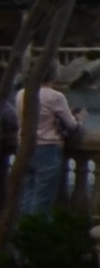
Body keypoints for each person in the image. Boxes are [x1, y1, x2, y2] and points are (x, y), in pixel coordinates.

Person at [11, 70, 71, 219]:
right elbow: (71, 125)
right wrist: (81, 119)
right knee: (43, 197)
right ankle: (37, 233)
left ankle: (23, 231)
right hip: (48, 148)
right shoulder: (55, 96)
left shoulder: (21, 94)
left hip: (24, 147)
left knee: (27, 194)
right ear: (53, 75)